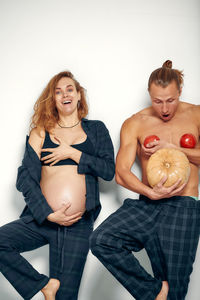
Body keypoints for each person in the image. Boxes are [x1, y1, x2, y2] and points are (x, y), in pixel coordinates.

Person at [90, 60, 200, 300]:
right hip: (148, 203)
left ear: (179, 90)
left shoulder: (197, 114)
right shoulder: (135, 123)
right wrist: (149, 192)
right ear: (149, 95)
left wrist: (175, 148)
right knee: (102, 240)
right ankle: (153, 292)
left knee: (176, 288)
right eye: (157, 101)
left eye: (170, 100)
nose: (164, 108)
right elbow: (121, 172)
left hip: (183, 207)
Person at [0, 71, 115, 300]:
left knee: (65, 297)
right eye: (58, 91)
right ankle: (43, 285)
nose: (65, 94)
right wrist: (48, 214)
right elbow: (25, 178)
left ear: (79, 95)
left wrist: (73, 153)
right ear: (53, 99)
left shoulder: (96, 130)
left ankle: (52, 289)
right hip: (42, 221)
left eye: (69, 89)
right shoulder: (41, 133)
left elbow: (108, 171)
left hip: (77, 224)